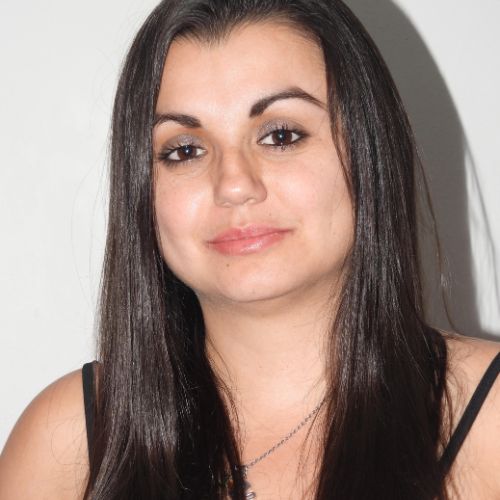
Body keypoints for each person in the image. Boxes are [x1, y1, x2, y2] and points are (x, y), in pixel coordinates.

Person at [0, 0, 499, 498]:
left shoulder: (489, 420)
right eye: (184, 150)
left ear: (369, 151)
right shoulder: (64, 444)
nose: (234, 184)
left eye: (281, 135)